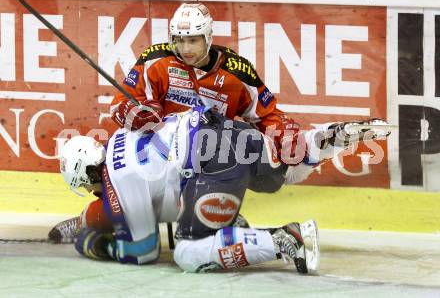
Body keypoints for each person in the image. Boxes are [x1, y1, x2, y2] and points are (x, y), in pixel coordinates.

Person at [53, 107, 389, 273]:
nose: (94, 190)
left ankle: (287, 239)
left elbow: (143, 252)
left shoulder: (115, 180)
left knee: (186, 254)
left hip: (211, 162)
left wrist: (96, 245)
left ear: (88, 174)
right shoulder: (121, 136)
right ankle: (327, 139)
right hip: (228, 131)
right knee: (287, 174)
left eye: (87, 185)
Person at [110, 3, 300, 165]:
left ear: (208, 37)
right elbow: (118, 105)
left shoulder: (237, 72)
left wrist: (288, 138)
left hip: (209, 159)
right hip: (158, 153)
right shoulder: (155, 60)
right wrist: (134, 115)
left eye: (193, 40)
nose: (185, 49)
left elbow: (266, 116)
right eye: (179, 40)